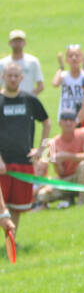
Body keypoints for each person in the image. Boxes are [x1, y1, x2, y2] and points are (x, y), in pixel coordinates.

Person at [0, 60, 50, 234]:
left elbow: (47, 123)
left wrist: (41, 150)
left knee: (17, 207)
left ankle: (10, 242)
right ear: (3, 77)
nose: (13, 79)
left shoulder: (29, 99)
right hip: (2, 164)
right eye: (9, 76)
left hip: (24, 162)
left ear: (22, 78)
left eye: (16, 76)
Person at [34, 111, 84, 206]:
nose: (68, 123)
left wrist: (66, 156)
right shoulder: (53, 142)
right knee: (42, 195)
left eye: (71, 120)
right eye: (65, 120)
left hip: (83, 176)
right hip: (65, 181)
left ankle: (81, 201)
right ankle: (68, 198)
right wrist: (56, 163)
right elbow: (61, 173)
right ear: (60, 123)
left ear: (76, 123)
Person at [53, 44, 84, 117]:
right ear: (66, 60)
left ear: (82, 58)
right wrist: (61, 67)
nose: (74, 58)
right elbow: (55, 83)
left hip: (83, 114)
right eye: (70, 56)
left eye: (77, 55)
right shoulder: (63, 75)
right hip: (66, 116)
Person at [6, 30, 44, 96]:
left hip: (27, 103)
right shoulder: (3, 63)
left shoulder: (33, 61)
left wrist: (28, 98)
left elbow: (40, 86)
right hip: (8, 102)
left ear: (25, 43)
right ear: (10, 43)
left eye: (20, 41)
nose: (17, 43)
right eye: (15, 41)